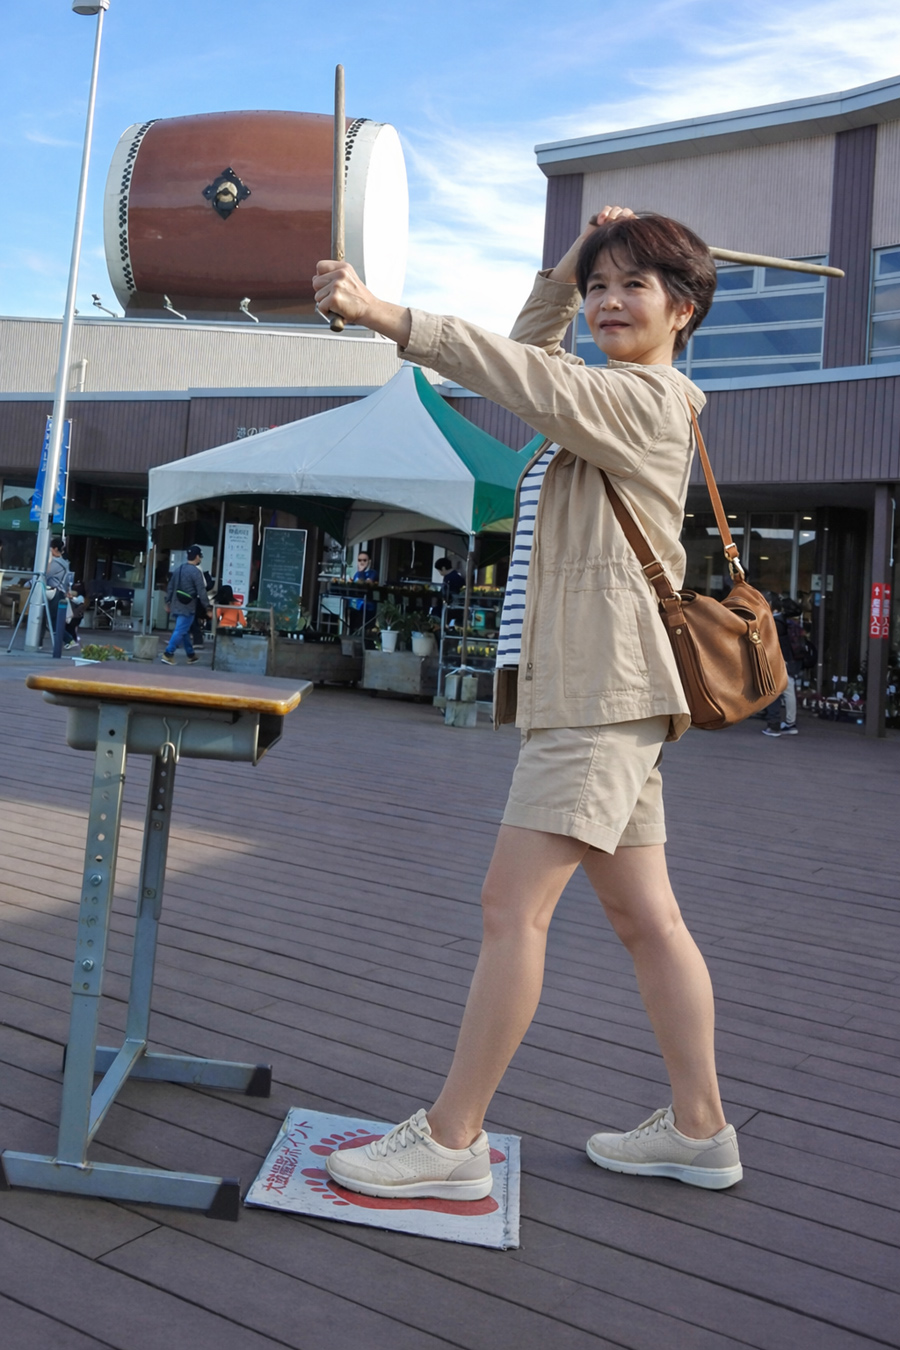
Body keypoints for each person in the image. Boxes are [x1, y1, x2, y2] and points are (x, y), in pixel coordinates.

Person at [312, 207, 743, 1201]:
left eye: (633, 286)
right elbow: (531, 353)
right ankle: (700, 1129)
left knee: (511, 910)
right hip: (610, 694)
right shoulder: (607, 398)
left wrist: (384, 314)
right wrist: (570, 262)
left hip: (598, 696)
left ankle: (451, 1141)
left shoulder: (641, 400)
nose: (607, 303)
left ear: (682, 309)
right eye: (598, 289)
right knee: (649, 921)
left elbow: (519, 373)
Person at [161, 545, 211, 665]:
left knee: (184, 630)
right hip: (187, 606)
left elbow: (171, 587)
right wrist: (207, 607)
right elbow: (201, 591)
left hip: (175, 604)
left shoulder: (178, 569)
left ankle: (191, 655)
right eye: (200, 557)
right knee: (180, 630)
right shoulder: (196, 572)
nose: (200, 559)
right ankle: (168, 654)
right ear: (197, 557)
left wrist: (167, 601)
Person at [762, 594, 799, 736]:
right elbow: (797, 610)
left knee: (773, 692)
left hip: (776, 660)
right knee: (789, 690)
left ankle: (774, 726)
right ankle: (791, 723)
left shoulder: (773, 622)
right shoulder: (783, 619)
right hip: (787, 659)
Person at [42, 537, 70, 649]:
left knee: (52, 620)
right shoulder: (64, 563)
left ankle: (68, 640)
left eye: (50, 549)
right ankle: (40, 642)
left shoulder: (57, 562)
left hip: (55, 592)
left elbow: (46, 574)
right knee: (50, 619)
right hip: (59, 592)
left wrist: (49, 560)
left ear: (55, 549)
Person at [349, 549, 377, 632]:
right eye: (359, 560)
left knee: (365, 628)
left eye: (364, 560)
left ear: (369, 561)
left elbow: (365, 584)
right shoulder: (356, 573)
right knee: (353, 627)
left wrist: (361, 571)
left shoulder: (373, 573)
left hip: (367, 605)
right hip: (355, 604)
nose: (362, 562)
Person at [63, 579, 85, 649]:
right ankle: (73, 641)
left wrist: (71, 597)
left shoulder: (81, 597)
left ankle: (71, 641)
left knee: (69, 629)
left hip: (75, 617)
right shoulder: (77, 597)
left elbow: (77, 601)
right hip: (74, 616)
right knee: (70, 629)